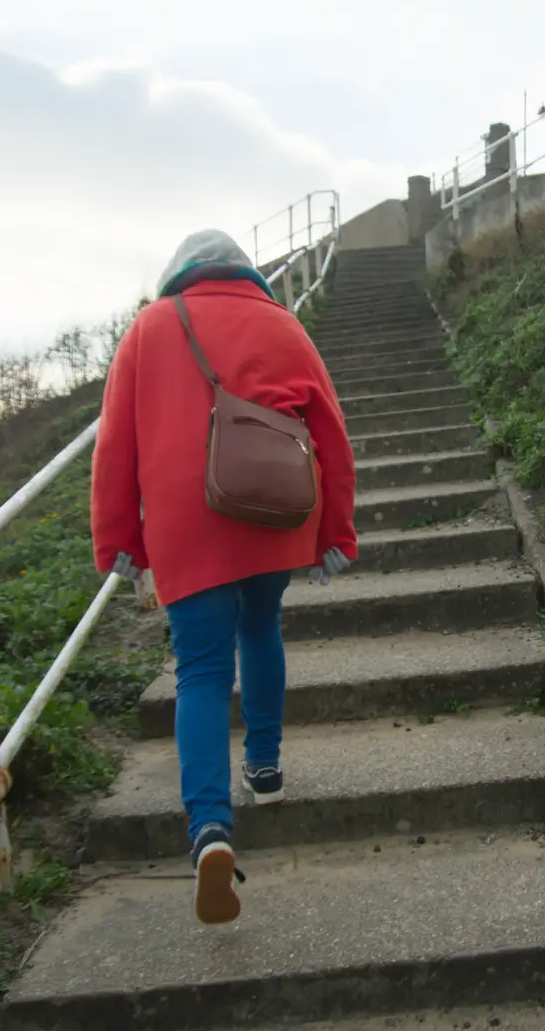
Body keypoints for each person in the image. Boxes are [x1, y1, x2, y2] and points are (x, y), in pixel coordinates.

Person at [90, 229, 357, 926]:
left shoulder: (149, 328)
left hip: (185, 519)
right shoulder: (282, 323)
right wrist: (335, 531)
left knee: (201, 671)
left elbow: (115, 442)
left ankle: (210, 828)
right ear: (247, 271)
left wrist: (117, 538)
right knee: (260, 625)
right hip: (274, 507)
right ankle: (264, 768)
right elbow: (330, 430)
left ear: (178, 273)